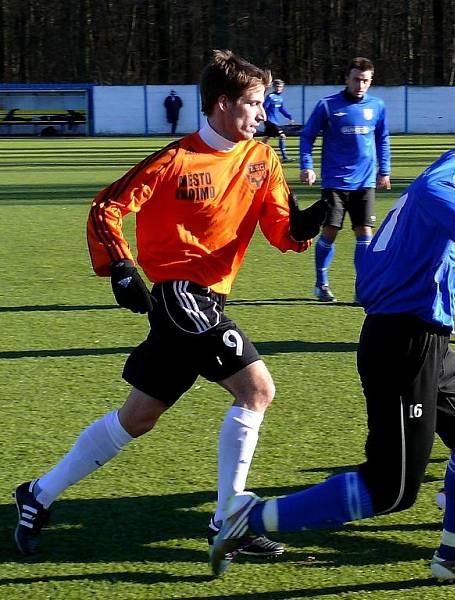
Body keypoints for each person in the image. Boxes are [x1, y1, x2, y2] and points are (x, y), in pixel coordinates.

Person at [209, 100, 455, 582]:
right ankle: (245, 519)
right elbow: (431, 193)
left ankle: (454, 553)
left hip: (426, 341)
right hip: (403, 343)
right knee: (390, 489)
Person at [12, 49, 326, 559]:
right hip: (179, 295)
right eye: (253, 103)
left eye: (264, 102)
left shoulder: (262, 160)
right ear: (222, 104)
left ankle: (39, 492)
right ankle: (229, 521)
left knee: (138, 417)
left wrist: (307, 224)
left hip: (205, 298)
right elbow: (106, 208)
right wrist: (120, 267)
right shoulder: (174, 160)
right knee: (256, 389)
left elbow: (281, 231)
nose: (264, 113)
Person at [300, 57, 391, 303]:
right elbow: (307, 136)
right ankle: (321, 283)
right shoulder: (328, 106)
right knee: (330, 231)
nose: (360, 85)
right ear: (347, 79)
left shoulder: (377, 106)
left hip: (365, 182)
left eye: (365, 80)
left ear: (371, 81)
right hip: (335, 181)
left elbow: (382, 139)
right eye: (356, 79)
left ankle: (361, 287)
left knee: (365, 232)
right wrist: (307, 167)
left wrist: (385, 171)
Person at [264, 79, 295, 162]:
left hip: (275, 121)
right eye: (277, 86)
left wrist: (289, 116)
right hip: (270, 121)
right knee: (282, 136)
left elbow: (281, 109)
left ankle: (258, 152)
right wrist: (262, 117)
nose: (279, 88)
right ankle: (285, 157)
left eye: (280, 86)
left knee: (267, 137)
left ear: (282, 88)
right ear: (274, 87)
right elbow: (264, 107)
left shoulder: (280, 98)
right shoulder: (270, 97)